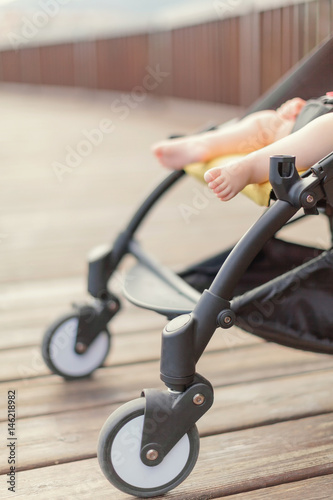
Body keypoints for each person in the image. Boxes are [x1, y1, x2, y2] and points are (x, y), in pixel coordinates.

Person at [152, 96, 333, 201]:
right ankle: (203, 144)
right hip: (312, 121)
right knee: (267, 122)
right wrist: (302, 108)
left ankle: (250, 167)